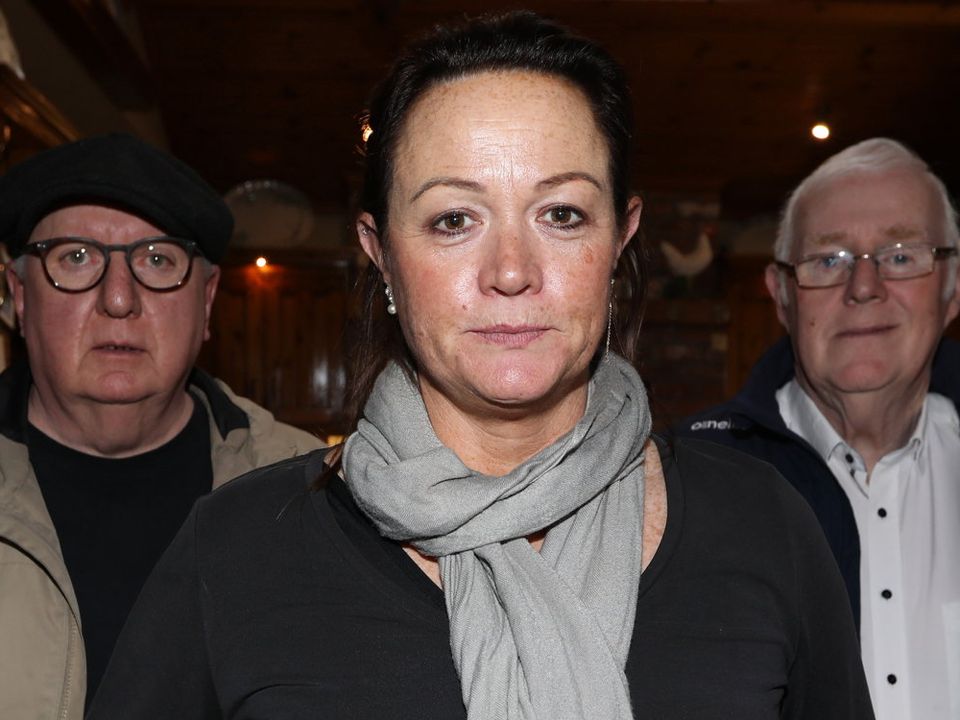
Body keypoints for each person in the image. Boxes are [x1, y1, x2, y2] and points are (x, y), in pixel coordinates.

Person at [89, 13, 872, 720]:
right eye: (454, 219)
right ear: (381, 256)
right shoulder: (238, 547)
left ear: (619, 242)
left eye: (561, 214)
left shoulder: (763, 525)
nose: (509, 270)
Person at [0, 133, 324, 718]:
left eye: (157, 260)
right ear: (19, 296)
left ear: (206, 304)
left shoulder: (310, 494)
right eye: (75, 257)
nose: (119, 299)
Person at [676, 138, 960, 720]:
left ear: (952, 285)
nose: (863, 288)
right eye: (828, 260)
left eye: (902, 255)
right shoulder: (687, 487)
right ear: (780, 296)